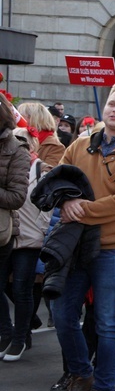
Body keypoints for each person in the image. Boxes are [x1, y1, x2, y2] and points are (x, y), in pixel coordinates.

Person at [53, 84, 115, 391]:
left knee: (108, 323)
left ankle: (104, 388)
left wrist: (77, 209)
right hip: (76, 243)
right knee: (63, 315)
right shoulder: (80, 146)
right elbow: (57, 181)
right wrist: (64, 201)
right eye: (112, 103)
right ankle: (81, 372)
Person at [0, 119, 33, 362]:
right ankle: (7, 333)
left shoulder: (16, 150)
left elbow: (16, 197)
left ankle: (18, 336)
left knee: (21, 288)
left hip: (14, 234)